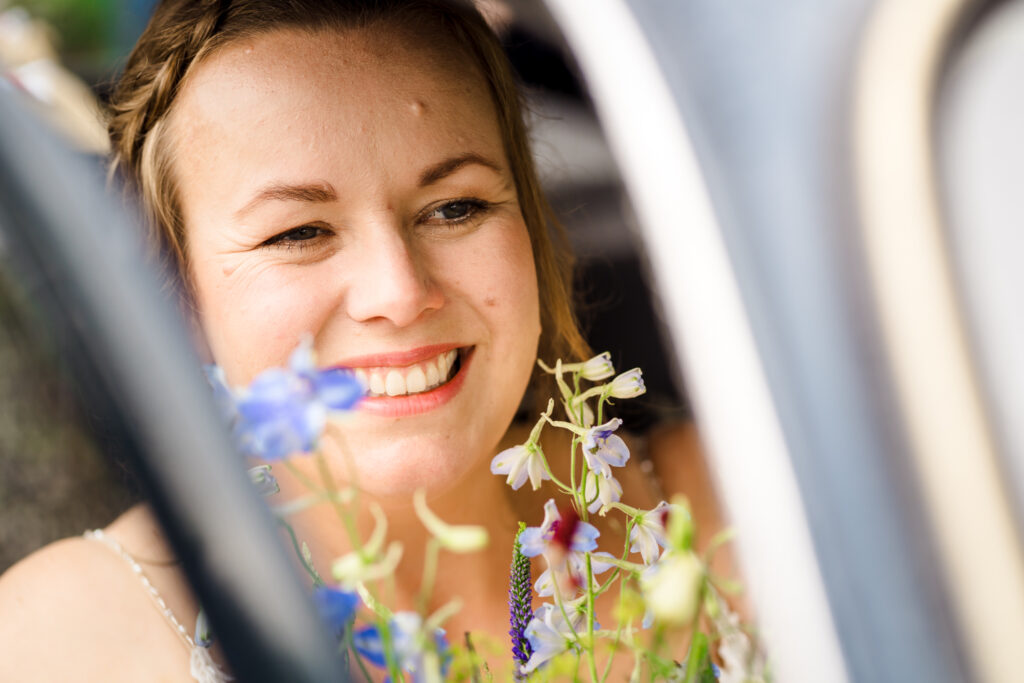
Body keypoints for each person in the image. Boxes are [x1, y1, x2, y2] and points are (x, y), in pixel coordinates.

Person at [0, 1, 732, 680]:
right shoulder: (53, 640)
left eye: (455, 207)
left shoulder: (731, 510)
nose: (400, 292)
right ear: (178, 292)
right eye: (299, 232)